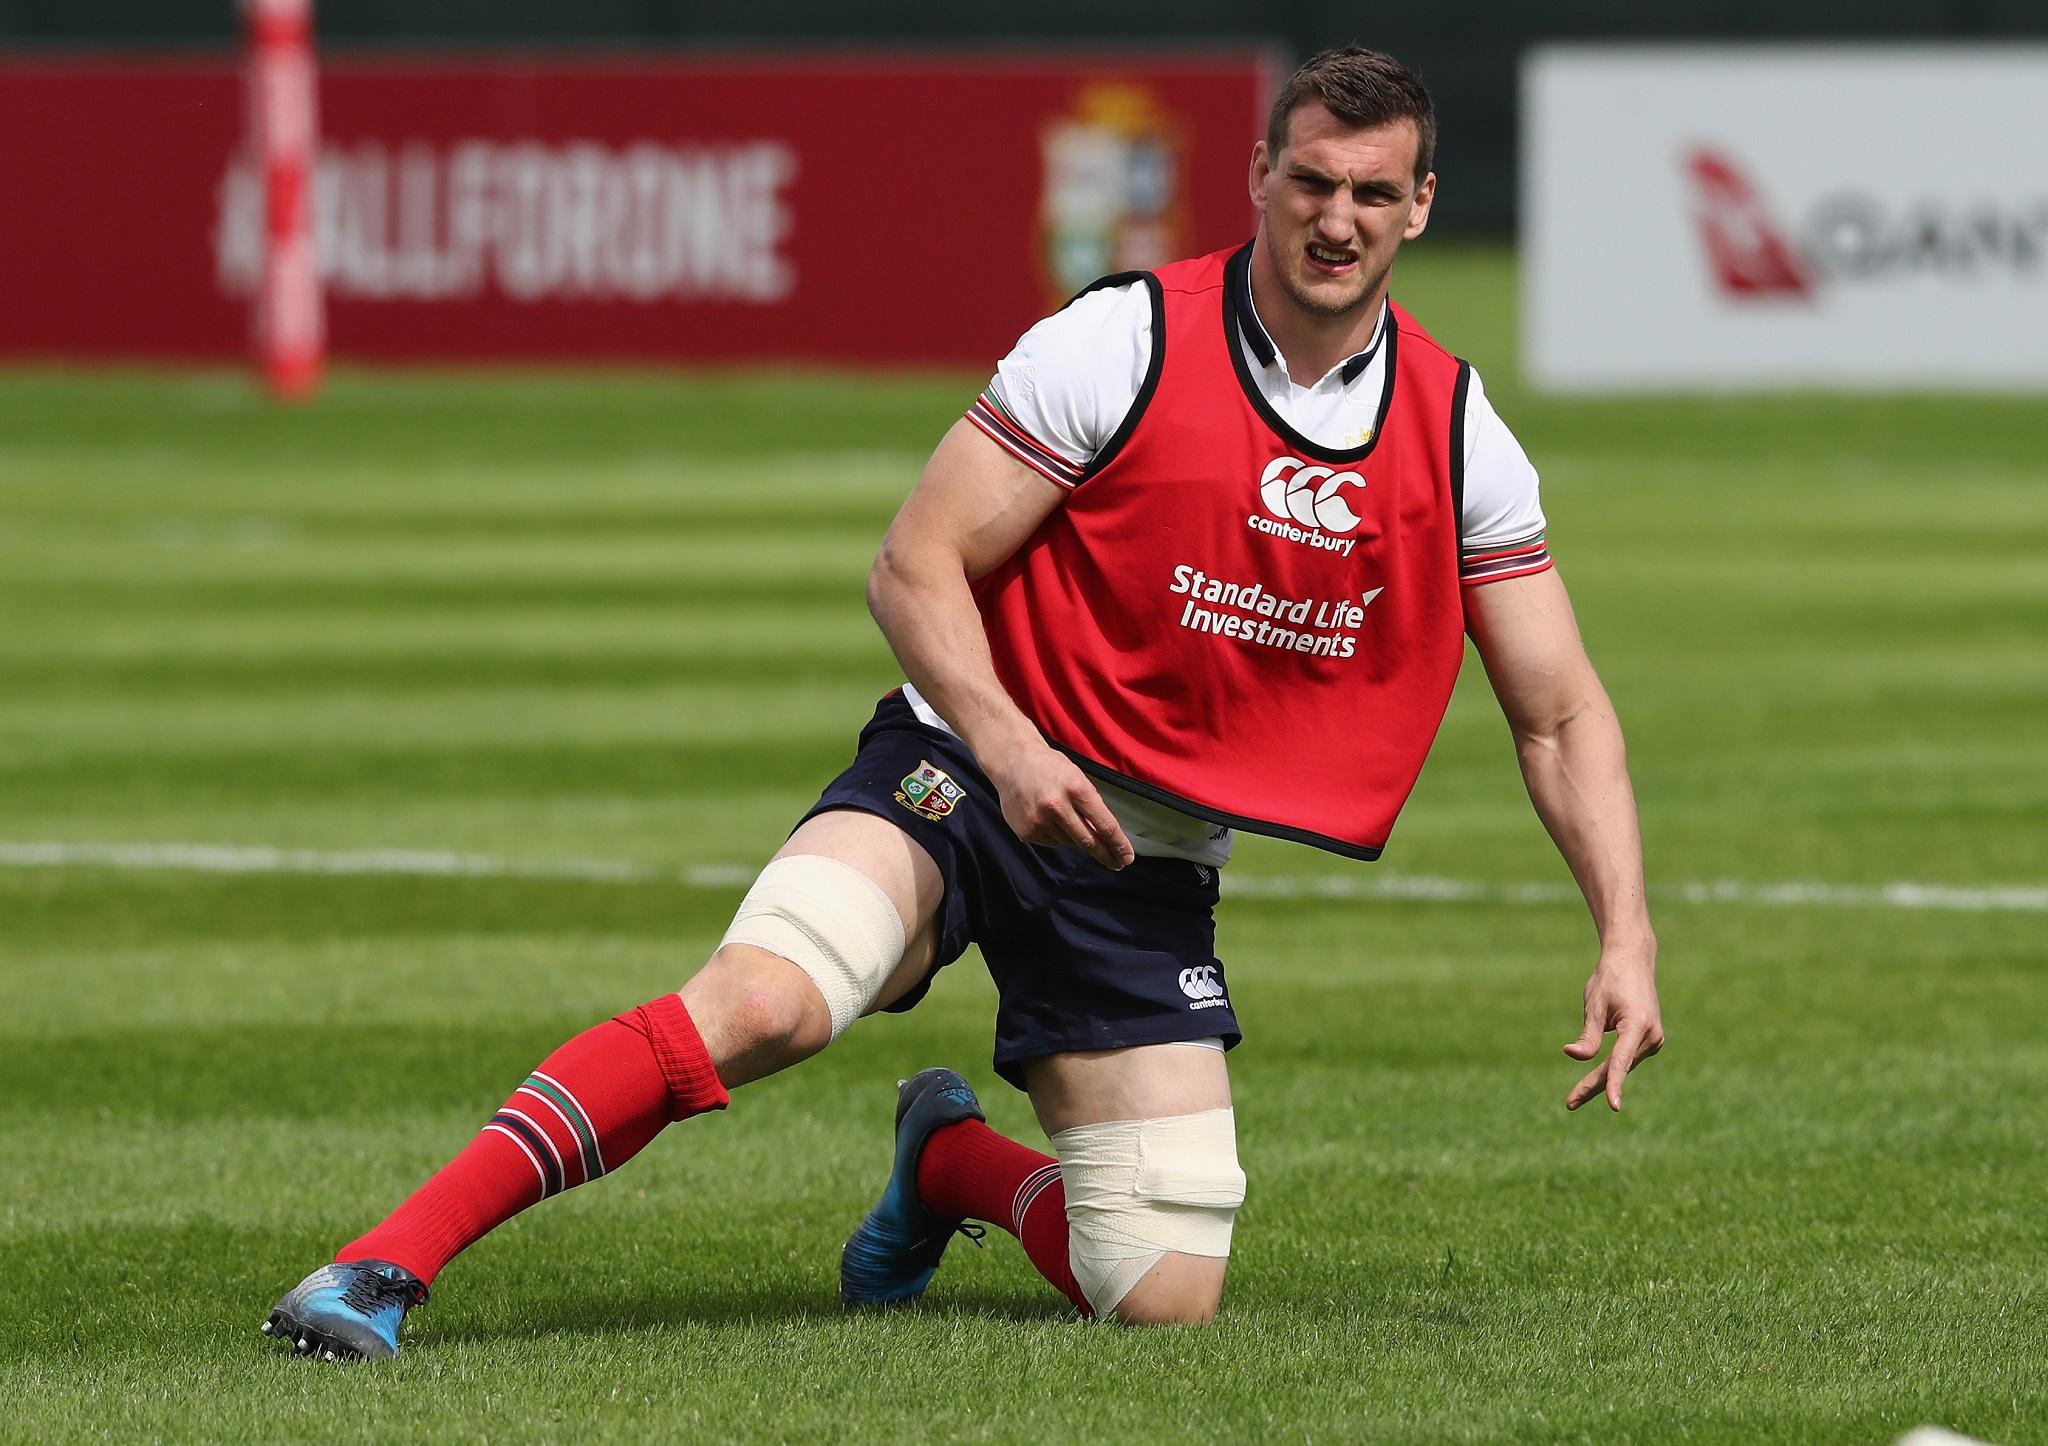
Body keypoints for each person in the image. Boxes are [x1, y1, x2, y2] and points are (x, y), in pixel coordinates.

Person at [261, 46, 1663, 1359]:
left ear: (1421, 206)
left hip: (1142, 858)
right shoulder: (1123, 341)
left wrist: (1626, 931)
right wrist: (1006, 740)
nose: (1336, 218)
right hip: (961, 775)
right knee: (766, 1001)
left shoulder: (1459, 431)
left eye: (1371, 192)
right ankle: (379, 1265)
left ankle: (947, 1161)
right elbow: (913, 563)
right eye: (1311, 181)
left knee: (1163, 1297)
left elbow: (1559, 713)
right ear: (1259, 175)